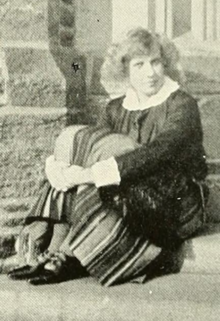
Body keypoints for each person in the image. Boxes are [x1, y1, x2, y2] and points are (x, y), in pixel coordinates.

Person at [8, 28, 208, 286]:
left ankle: (68, 254)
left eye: (156, 62)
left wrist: (88, 174)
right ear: (126, 71)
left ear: (165, 63)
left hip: (176, 201)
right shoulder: (116, 108)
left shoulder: (181, 103)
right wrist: (58, 168)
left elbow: (161, 153)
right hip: (133, 191)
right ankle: (56, 248)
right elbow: (88, 150)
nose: (150, 72)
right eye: (140, 65)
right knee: (76, 140)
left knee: (102, 153)